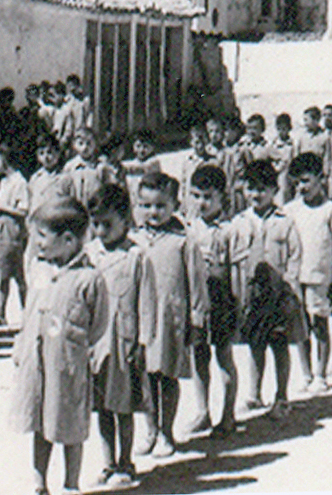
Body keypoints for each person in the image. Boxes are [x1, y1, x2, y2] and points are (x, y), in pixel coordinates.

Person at [10, 196, 108, 495]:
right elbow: (29, 312)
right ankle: (39, 483)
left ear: (68, 240)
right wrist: (21, 346)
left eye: (42, 236)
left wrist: (78, 349)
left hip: (67, 364)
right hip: (35, 360)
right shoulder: (39, 270)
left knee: (69, 423)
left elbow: (99, 324)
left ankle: (70, 484)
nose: (36, 243)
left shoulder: (88, 279)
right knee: (40, 421)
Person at [132, 171, 205, 458]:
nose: (153, 212)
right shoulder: (134, 239)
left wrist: (196, 319)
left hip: (170, 319)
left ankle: (166, 431)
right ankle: (149, 429)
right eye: (147, 205)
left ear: (175, 205)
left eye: (161, 205)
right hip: (141, 320)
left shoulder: (183, 240)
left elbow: (196, 282)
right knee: (144, 378)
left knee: (167, 376)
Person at [231, 159, 303, 420]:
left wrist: (290, 290)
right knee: (255, 345)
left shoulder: (285, 221)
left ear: (274, 190)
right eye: (251, 188)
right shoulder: (239, 222)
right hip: (253, 298)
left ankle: (282, 396)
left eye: (262, 188)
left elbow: (295, 256)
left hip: (279, 294)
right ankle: (254, 393)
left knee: (280, 344)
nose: (256, 194)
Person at [85, 184, 145, 485]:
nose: (100, 231)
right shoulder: (89, 255)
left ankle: (126, 461)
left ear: (125, 219)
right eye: (95, 224)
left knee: (124, 406)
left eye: (107, 224)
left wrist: (142, 341)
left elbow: (146, 302)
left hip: (125, 342)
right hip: (97, 345)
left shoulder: (135, 255)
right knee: (102, 407)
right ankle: (108, 462)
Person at [283, 152, 332, 393]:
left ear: (320, 179)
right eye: (297, 182)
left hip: (320, 276)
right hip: (295, 277)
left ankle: (321, 374)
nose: (301, 187)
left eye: (306, 181)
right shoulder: (290, 210)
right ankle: (306, 373)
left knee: (320, 323)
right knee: (299, 326)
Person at [185, 164, 239, 438]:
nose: (201, 203)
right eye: (196, 195)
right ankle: (202, 411)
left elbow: (238, 270)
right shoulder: (189, 227)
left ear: (222, 197)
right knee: (199, 355)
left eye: (207, 196)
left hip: (222, 299)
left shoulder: (231, 228)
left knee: (223, 355)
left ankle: (228, 414)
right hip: (197, 302)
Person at [0, 141, 29, 329]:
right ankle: (0, 313)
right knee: (4, 274)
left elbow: (23, 210)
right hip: (1, 232)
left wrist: (0, 207)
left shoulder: (20, 182)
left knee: (17, 275)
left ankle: (26, 312)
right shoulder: (4, 182)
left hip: (13, 232)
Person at [26, 134, 76, 262]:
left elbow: (71, 205)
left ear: (58, 154)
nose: (46, 157)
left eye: (50, 152)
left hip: (55, 227)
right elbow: (31, 202)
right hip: (36, 226)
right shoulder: (35, 178)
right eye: (42, 153)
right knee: (34, 261)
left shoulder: (65, 178)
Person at [64, 127, 120, 207]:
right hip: (75, 210)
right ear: (74, 145)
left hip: (95, 210)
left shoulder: (101, 167)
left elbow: (109, 188)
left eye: (89, 143)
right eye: (81, 143)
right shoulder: (70, 167)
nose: (85, 147)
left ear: (95, 144)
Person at [269, 113, 296, 204]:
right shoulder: (273, 144)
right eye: (279, 129)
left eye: (284, 129)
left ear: (289, 128)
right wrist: (277, 167)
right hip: (277, 174)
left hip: (289, 174)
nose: (281, 131)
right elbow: (271, 159)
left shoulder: (292, 144)